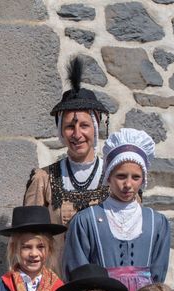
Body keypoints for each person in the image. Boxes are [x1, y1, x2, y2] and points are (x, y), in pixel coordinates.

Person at [63, 128, 170, 291]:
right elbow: (76, 271)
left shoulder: (157, 222)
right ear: (109, 176)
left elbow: (158, 275)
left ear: (143, 180)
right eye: (121, 176)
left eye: (135, 177)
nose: (128, 184)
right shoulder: (86, 220)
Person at [23, 57, 111, 276]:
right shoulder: (44, 179)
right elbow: (30, 236)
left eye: (84, 125)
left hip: (105, 286)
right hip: (57, 283)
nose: (77, 134)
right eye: (70, 126)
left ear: (95, 128)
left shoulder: (113, 177)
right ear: (61, 131)